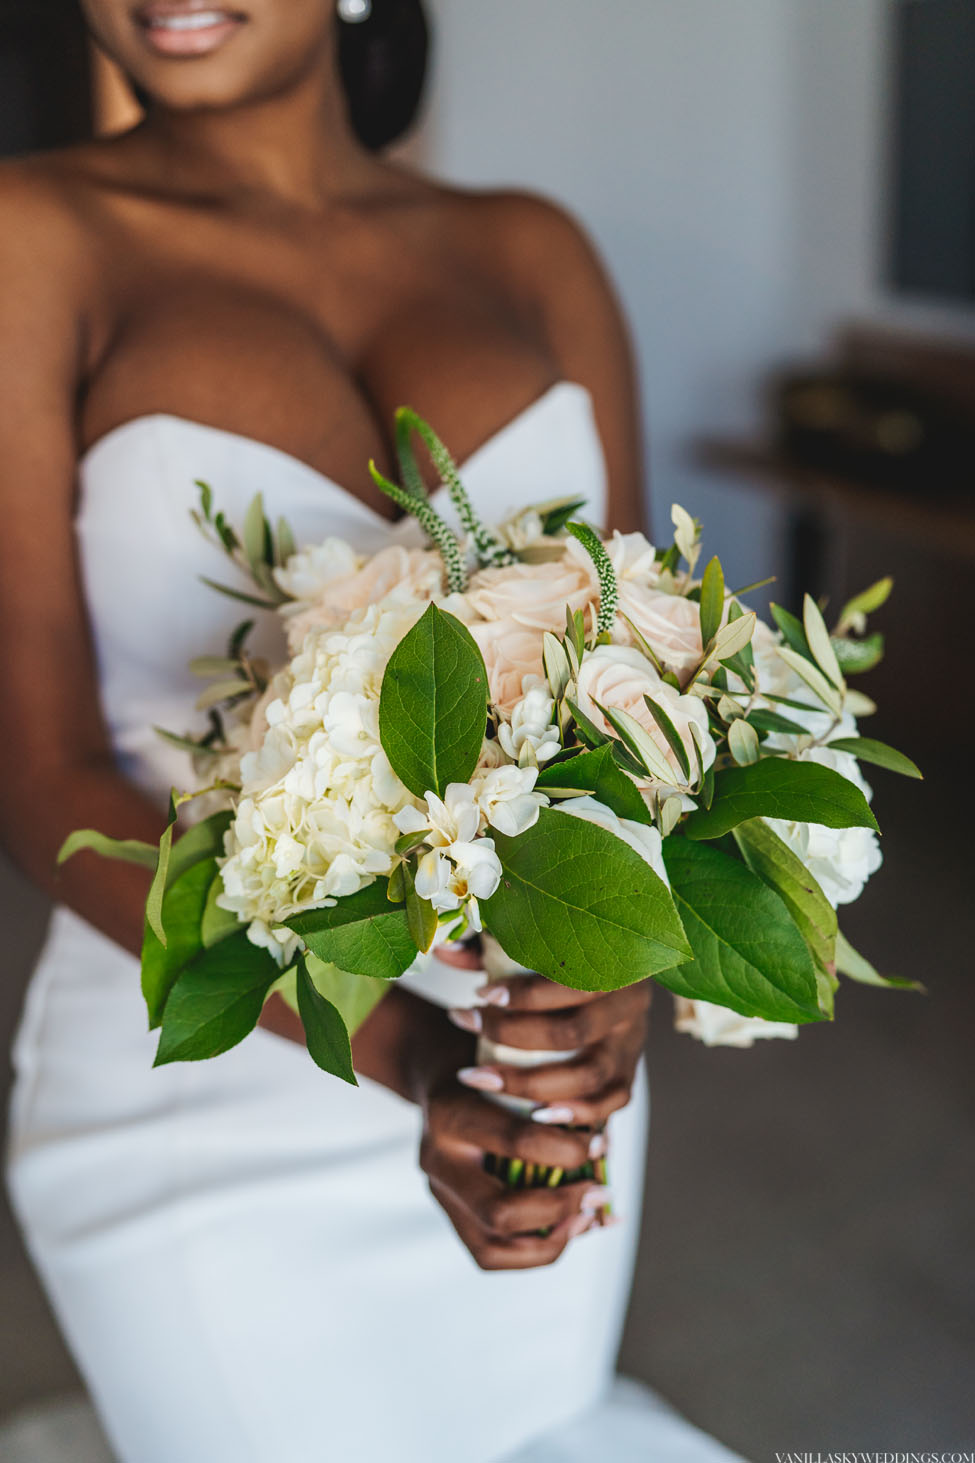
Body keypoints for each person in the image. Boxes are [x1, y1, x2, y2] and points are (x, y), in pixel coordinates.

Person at [0, 3, 741, 1459]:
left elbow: (649, 687)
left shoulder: (536, 250)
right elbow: (43, 776)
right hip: (201, 1078)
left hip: (516, 1045)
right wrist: (407, 1051)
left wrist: (612, 981)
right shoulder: (34, 237)